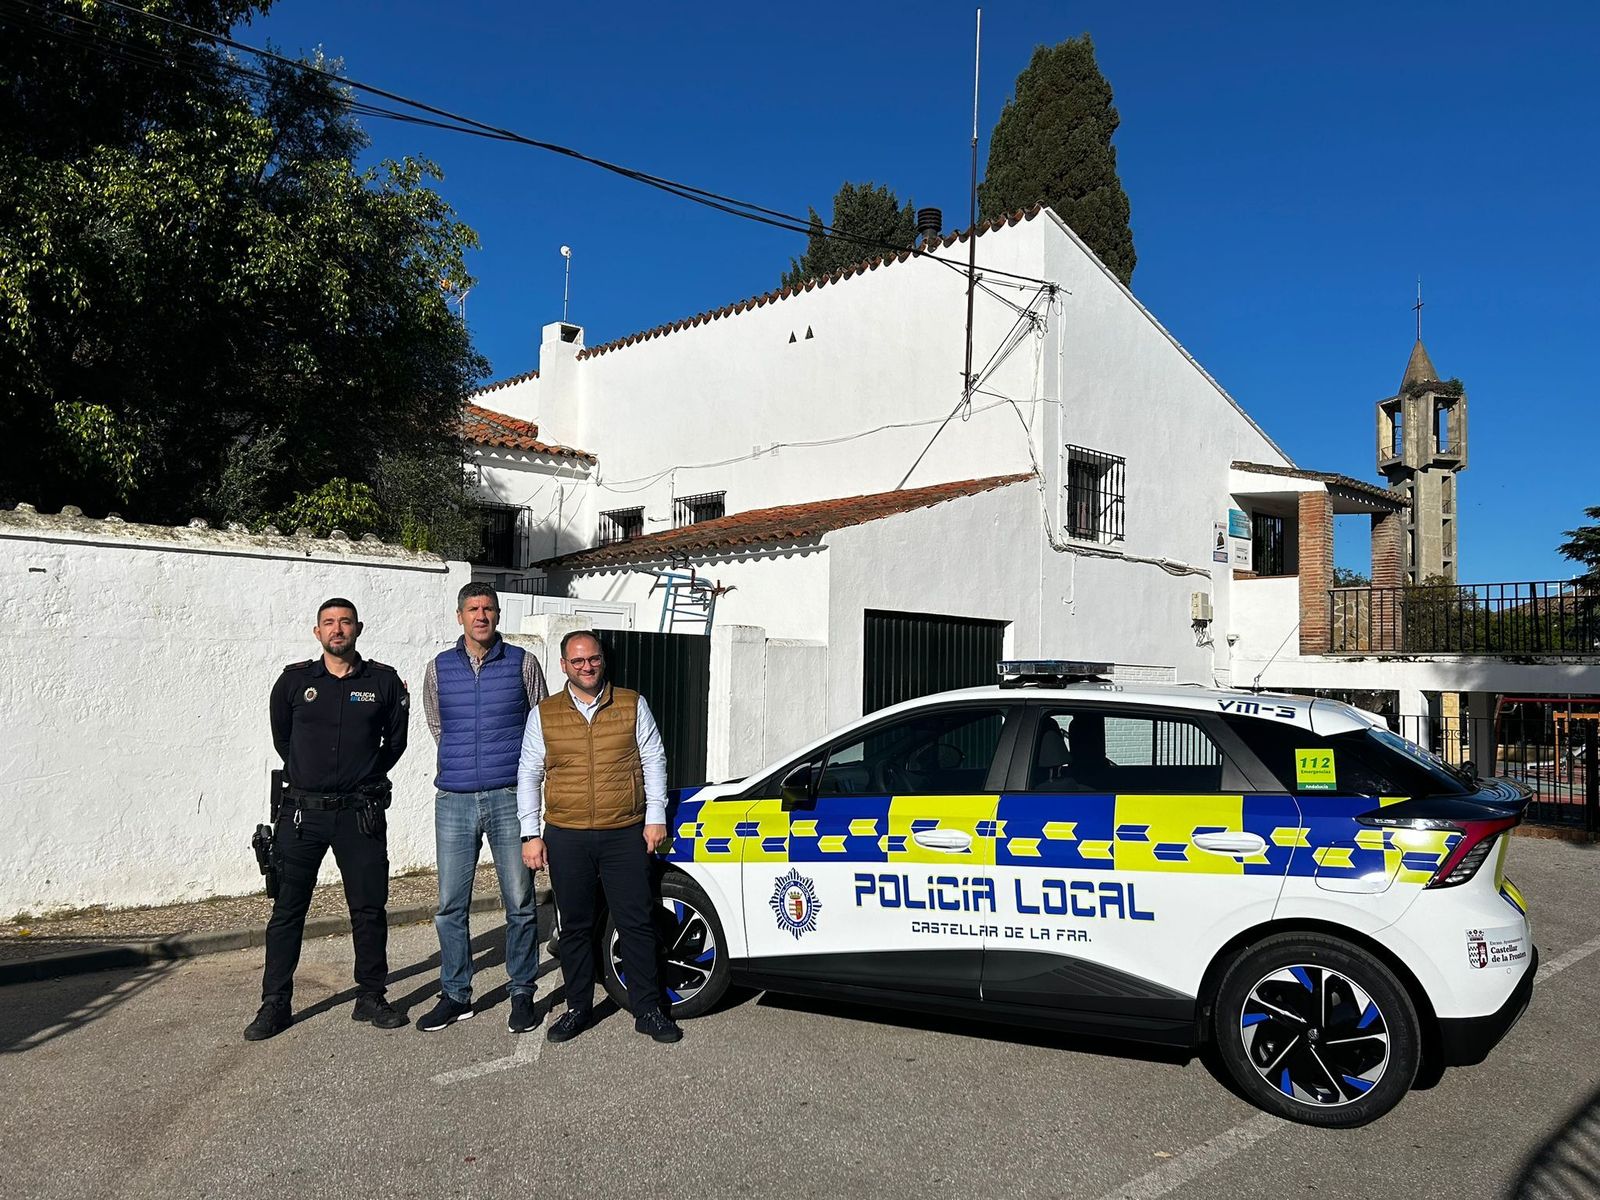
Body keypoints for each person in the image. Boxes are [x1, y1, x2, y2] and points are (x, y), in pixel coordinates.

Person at [245, 598, 410, 1041]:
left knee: (369, 909)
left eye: (345, 623)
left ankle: (371, 997)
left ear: (359, 628)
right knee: (287, 912)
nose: (338, 630)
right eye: (329, 623)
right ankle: (275, 1004)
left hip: (360, 814)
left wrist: (361, 775)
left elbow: (394, 744)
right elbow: (284, 739)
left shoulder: (384, 682)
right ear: (317, 632)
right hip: (302, 815)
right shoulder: (294, 681)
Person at [517, 630, 680, 1044]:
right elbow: (530, 773)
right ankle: (578, 1008)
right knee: (574, 926)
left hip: (624, 831)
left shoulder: (631, 703)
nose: (586, 667)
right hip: (567, 836)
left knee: (637, 921)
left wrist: (655, 816)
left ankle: (648, 1009)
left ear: (601, 661)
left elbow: (653, 759)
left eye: (592, 659)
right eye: (577, 661)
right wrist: (530, 833)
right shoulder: (544, 713)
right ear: (563, 666)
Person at [416, 583, 549, 1034]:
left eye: (488, 608)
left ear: (498, 614)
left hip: (510, 796)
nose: (481, 616)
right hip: (454, 799)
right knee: (451, 905)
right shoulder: (438, 668)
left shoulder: (522, 663)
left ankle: (522, 992)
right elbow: (438, 725)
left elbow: (541, 724)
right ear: (460, 617)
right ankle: (456, 994)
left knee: (520, 901)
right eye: (472, 609)